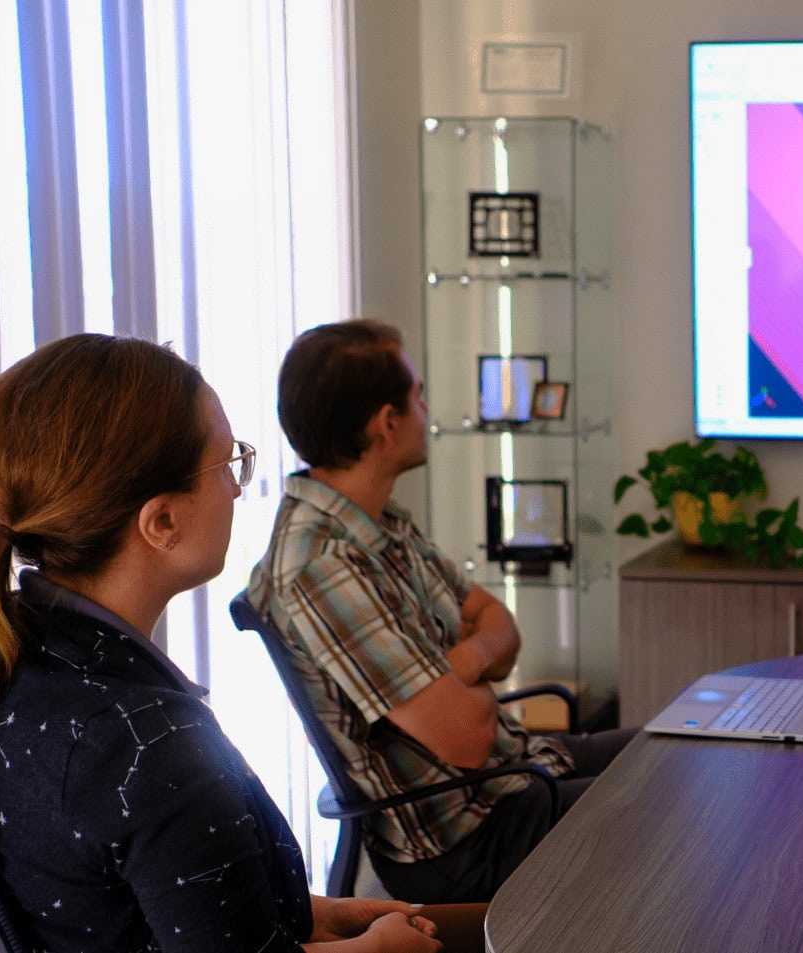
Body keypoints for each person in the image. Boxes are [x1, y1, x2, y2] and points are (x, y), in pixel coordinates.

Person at [0, 334, 492, 952]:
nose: (235, 488)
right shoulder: (150, 741)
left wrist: (311, 914)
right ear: (162, 521)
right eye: (227, 464)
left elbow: (119, 903)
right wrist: (383, 948)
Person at [247, 318, 635, 904]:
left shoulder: (383, 521)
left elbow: (501, 629)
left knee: (672, 754)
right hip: (468, 837)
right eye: (418, 396)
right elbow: (467, 735)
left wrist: (456, 666)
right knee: (665, 815)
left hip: (516, 772)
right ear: (387, 423)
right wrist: (471, 665)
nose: (428, 410)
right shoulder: (322, 565)